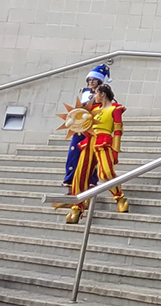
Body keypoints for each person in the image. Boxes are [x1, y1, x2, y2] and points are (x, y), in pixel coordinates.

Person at [63, 83, 127, 224]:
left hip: (104, 141)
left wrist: (116, 150)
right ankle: (77, 208)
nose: (95, 96)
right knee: (81, 174)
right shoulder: (94, 109)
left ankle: (120, 198)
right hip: (90, 140)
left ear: (102, 94)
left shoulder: (115, 109)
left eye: (96, 94)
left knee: (105, 173)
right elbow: (85, 125)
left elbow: (117, 131)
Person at [61, 65, 109, 195]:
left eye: (94, 79)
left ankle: (88, 187)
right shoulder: (85, 93)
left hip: (93, 128)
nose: (91, 82)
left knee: (90, 158)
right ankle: (71, 187)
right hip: (81, 127)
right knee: (73, 155)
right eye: (89, 79)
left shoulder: (103, 94)